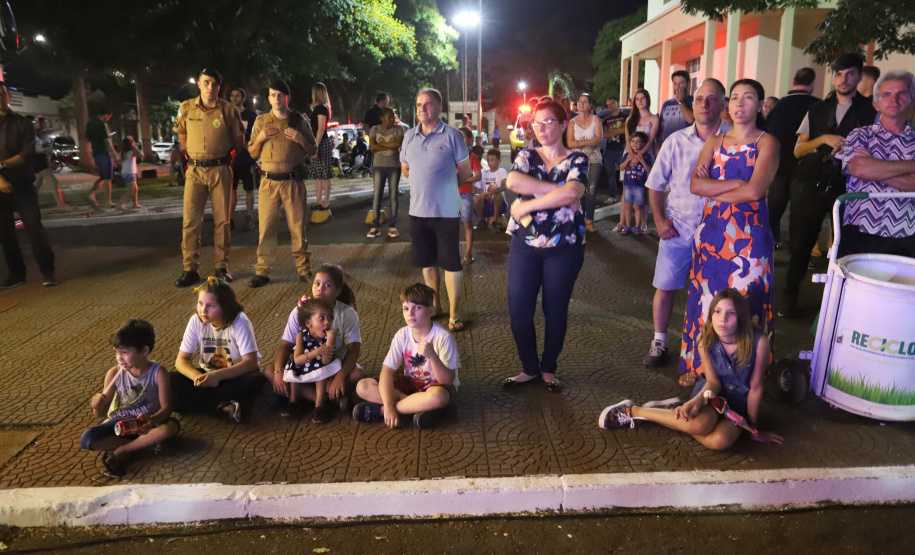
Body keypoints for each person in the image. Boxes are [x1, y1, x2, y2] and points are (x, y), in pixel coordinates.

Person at [599, 289, 783, 450]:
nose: (723, 319)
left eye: (731, 313)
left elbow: (756, 387)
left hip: (737, 406)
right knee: (700, 426)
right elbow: (713, 382)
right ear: (711, 314)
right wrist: (697, 400)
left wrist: (753, 427)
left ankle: (673, 412)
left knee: (718, 441)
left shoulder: (759, 342)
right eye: (717, 311)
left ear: (742, 317)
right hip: (711, 396)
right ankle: (635, 411)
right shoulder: (705, 340)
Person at [682, 79, 778, 387]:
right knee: (708, 303)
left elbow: (755, 191)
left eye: (748, 97)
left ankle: (749, 371)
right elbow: (696, 186)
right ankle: (700, 367)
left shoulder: (768, 143)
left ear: (760, 105)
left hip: (751, 240)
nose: (739, 103)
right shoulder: (714, 142)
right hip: (713, 237)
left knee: (747, 303)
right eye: (734, 97)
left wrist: (722, 189)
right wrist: (738, 186)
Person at [500, 99, 588, 393]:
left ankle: (548, 368)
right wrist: (559, 192)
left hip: (564, 246)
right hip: (525, 244)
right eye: (536, 123)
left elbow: (574, 192)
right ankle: (529, 368)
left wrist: (527, 206)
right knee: (519, 310)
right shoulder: (526, 156)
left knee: (555, 309)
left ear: (564, 124)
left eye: (548, 121)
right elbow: (512, 181)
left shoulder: (577, 159)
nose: (541, 128)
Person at [643, 79, 731, 368]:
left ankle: (709, 348)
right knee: (666, 286)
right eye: (699, 99)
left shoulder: (734, 140)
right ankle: (658, 340)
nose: (704, 104)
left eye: (711, 99)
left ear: (722, 104)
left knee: (715, 293)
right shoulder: (676, 141)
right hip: (679, 227)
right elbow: (655, 184)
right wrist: (659, 220)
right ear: (692, 105)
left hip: (720, 231)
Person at [782, 53, 877, 318]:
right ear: (832, 76)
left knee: (846, 247)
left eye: (849, 74)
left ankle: (839, 304)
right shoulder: (817, 109)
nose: (843, 79)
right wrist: (822, 138)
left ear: (859, 76)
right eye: (838, 73)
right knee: (801, 245)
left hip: (848, 188)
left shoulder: (870, 112)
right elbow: (798, 150)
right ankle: (789, 297)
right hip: (809, 185)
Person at [400, 88, 473, 332]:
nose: (422, 109)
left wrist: (445, 186)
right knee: (428, 264)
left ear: (439, 108)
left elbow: (465, 172)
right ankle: (435, 307)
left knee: (451, 263)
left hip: (446, 213)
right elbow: (406, 168)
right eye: (419, 104)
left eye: (428, 104)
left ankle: (454, 313)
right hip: (418, 212)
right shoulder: (409, 136)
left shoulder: (452, 136)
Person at [173, 68, 245, 288]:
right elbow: (182, 138)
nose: (210, 88)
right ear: (199, 84)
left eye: (214, 84)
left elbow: (239, 142)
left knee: (223, 221)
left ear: (219, 87)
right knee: (190, 222)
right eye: (206, 83)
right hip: (194, 171)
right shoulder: (186, 108)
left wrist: (221, 156)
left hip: (220, 168)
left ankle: (221, 266)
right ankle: (189, 269)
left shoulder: (229, 110)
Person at [80, 319, 180, 477]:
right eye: (117, 352)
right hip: (120, 425)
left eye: (125, 353)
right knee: (87, 438)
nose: (120, 358)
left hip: (147, 425)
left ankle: (123, 450)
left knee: (170, 427)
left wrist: (152, 420)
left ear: (145, 350)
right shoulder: (114, 374)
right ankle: (144, 446)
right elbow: (100, 414)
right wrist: (97, 404)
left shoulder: (158, 373)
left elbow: (167, 408)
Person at [353, 283, 459, 429]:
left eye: (418, 308)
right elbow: (386, 371)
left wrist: (432, 356)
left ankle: (383, 411)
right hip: (411, 384)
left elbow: (447, 381)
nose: (410, 313)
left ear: (431, 310)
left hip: (436, 387)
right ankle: (411, 406)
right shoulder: (402, 335)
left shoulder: (443, 337)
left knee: (438, 397)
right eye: (406, 308)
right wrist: (390, 405)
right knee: (362, 386)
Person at [262, 264, 363, 412]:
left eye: (327, 285)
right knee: (270, 372)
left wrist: (340, 376)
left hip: (332, 369)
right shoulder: (299, 312)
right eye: (317, 283)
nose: (320, 288)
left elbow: (354, 348)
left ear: (338, 291)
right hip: (303, 366)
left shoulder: (347, 313)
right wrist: (278, 372)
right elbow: (286, 345)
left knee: (356, 374)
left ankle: (303, 395)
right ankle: (324, 399)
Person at [246, 79, 317, 288]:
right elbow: (252, 153)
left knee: (298, 228)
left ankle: (304, 269)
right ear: (268, 98)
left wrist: (300, 139)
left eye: (280, 95)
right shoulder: (261, 121)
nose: (276, 99)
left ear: (287, 97)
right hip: (268, 183)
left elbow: (313, 150)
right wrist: (259, 139)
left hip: (292, 183)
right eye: (273, 95)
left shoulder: (298, 120)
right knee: (266, 229)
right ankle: (262, 271)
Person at [840, 70, 915, 257]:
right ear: (875, 103)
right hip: (859, 228)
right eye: (886, 94)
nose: (894, 99)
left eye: (901, 93)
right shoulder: (859, 135)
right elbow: (857, 168)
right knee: (852, 285)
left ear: (911, 100)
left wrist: (873, 166)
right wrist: (911, 166)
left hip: (905, 231)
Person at [171, 277, 264, 423]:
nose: (203, 310)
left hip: (234, 375)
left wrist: (218, 376)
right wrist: (197, 377)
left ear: (224, 306)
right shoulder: (196, 321)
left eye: (211, 306)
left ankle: (209, 405)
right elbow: (181, 361)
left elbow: (251, 363)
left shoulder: (240, 321)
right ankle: (225, 407)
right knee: (170, 382)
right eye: (200, 303)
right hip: (207, 375)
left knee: (256, 381)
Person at [0, 82, 57, 289]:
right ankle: (16, 274)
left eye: (2, 93)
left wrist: (2, 165)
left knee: (34, 228)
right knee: (5, 233)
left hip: (23, 184)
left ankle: (48, 271)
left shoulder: (23, 123)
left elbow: (26, 154)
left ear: (7, 96)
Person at [763, 67, 819, 247]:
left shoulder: (778, 106)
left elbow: (767, 133)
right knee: (800, 212)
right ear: (812, 84)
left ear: (793, 82)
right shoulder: (818, 106)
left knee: (774, 208)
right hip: (805, 166)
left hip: (779, 165)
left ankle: (771, 243)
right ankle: (798, 251)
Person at [283, 296, 342, 423]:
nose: (327, 322)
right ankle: (294, 400)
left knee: (321, 370)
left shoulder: (328, 337)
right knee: (294, 369)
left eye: (329, 318)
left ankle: (319, 404)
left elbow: (326, 361)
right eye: (321, 318)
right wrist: (317, 352)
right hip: (303, 363)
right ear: (308, 323)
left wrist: (330, 340)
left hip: (320, 367)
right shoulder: (301, 336)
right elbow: (298, 360)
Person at [567, 93, 603, 233]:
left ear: (590, 105)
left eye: (585, 102)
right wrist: (589, 142)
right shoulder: (572, 123)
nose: (582, 104)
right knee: (579, 191)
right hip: (578, 160)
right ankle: (580, 220)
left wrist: (579, 143)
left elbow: (599, 138)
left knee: (591, 189)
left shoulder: (595, 120)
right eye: (579, 101)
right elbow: (570, 143)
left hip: (594, 158)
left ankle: (589, 220)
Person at [367, 106, 404, 238]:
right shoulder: (374, 129)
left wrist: (379, 146)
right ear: (382, 118)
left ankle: (392, 226)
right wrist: (391, 144)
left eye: (393, 117)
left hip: (394, 166)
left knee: (393, 196)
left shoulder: (399, 129)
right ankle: (375, 226)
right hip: (378, 166)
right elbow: (372, 146)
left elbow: (397, 144)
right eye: (389, 117)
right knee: (377, 196)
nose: (392, 120)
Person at [626, 89, 660, 233]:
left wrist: (639, 155)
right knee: (629, 188)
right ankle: (627, 223)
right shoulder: (630, 120)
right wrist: (632, 156)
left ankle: (644, 223)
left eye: (642, 98)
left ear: (647, 100)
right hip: (630, 158)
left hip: (646, 157)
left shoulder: (654, 120)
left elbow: (651, 140)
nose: (640, 101)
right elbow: (628, 140)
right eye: (637, 99)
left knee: (645, 190)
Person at [228, 87, 259, 233]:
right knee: (231, 190)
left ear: (243, 97)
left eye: (237, 95)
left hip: (247, 157)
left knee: (249, 188)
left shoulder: (251, 115)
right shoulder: (226, 114)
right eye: (232, 95)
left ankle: (249, 217)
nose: (234, 98)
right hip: (230, 158)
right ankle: (229, 219)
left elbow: (256, 135)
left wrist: (253, 148)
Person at [617, 132, 653, 235]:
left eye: (638, 142)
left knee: (638, 206)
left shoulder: (646, 156)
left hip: (640, 186)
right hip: (628, 185)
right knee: (627, 206)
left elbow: (648, 169)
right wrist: (628, 159)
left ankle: (638, 227)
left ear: (643, 144)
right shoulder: (627, 155)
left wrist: (642, 161)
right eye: (633, 141)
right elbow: (621, 167)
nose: (635, 144)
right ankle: (627, 226)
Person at [458, 126, 483, 264]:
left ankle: (468, 253)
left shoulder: (472, 157)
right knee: (451, 225)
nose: (459, 140)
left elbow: (478, 176)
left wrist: (461, 178)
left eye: (463, 137)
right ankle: (452, 254)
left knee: (467, 223)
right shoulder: (451, 155)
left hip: (465, 194)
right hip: (450, 194)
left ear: (469, 140)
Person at [86, 107, 119, 208]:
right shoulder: (103, 125)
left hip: (96, 152)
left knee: (103, 176)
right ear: (106, 115)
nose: (108, 119)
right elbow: (107, 141)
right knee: (108, 178)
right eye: (108, 117)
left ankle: (92, 194)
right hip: (105, 153)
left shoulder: (89, 124)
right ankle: (107, 202)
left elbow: (88, 138)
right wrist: (115, 154)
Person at [309, 82, 334, 211]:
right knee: (319, 174)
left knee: (324, 173)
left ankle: (325, 201)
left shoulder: (321, 108)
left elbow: (320, 129)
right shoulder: (320, 107)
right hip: (320, 141)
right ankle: (319, 200)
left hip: (321, 142)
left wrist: (315, 146)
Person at [31, 120, 65, 207]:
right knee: (53, 181)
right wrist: (44, 150)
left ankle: (30, 203)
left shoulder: (37, 135)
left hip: (41, 158)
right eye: (34, 123)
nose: (36, 124)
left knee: (38, 182)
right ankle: (60, 204)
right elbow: (30, 150)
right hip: (37, 159)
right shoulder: (29, 136)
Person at [599, 98, 627, 204]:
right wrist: (618, 131)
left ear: (617, 104)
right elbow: (603, 134)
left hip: (621, 149)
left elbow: (626, 130)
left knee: (624, 174)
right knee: (610, 174)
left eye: (612, 103)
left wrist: (612, 131)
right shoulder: (606, 120)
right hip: (609, 149)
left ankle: (626, 196)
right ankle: (612, 195)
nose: (610, 105)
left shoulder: (624, 117)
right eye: (608, 104)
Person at [474, 148, 508, 230]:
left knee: (497, 195)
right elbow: (477, 191)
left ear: (499, 160)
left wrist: (490, 193)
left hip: (499, 203)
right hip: (487, 203)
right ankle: (482, 221)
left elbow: (504, 186)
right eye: (488, 160)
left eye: (492, 160)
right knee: (475, 198)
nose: (490, 163)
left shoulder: (502, 171)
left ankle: (495, 222)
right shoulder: (484, 173)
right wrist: (481, 195)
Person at [659, 70, 695, 146]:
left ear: (688, 84)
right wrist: (658, 146)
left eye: (681, 83)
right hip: (668, 146)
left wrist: (680, 101)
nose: (678, 87)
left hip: (686, 146)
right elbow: (661, 128)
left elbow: (690, 119)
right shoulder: (666, 104)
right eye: (675, 84)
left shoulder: (694, 101)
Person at [116, 136, 143, 210]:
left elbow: (118, 161)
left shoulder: (122, 153)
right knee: (130, 190)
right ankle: (120, 204)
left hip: (126, 172)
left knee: (135, 189)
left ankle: (135, 204)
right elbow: (141, 154)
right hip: (129, 173)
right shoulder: (131, 152)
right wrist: (135, 147)